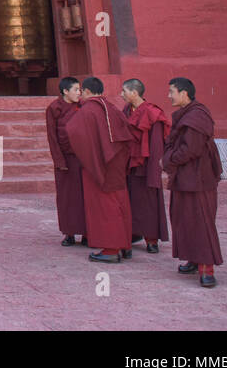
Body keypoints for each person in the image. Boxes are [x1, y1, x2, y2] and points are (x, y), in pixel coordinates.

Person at [162, 77, 223, 288]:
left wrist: (168, 160)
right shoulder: (189, 114)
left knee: (201, 221)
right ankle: (193, 258)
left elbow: (191, 149)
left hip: (198, 179)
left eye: (172, 92)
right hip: (186, 177)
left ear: (184, 94)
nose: (169, 96)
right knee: (184, 219)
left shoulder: (197, 116)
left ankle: (207, 269)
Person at [66, 77, 133, 263]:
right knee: (120, 203)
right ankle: (125, 245)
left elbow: (73, 132)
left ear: (86, 91)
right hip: (117, 163)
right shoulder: (112, 107)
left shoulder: (88, 111)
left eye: (81, 91)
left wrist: (91, 159)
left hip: (99, 165)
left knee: (106, 206)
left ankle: (111, 249)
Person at [121, 78, 171, 253]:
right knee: (131, 200)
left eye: (124, 91)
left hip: (147, 164)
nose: (121, 95)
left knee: (149, 202)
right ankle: (134, 232)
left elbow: (157, 145)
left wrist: (154, 171)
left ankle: (151, 239)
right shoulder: (127, 110)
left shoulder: (152, 113)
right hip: (130, 163)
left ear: (134, 93)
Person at [46, 76, 88, 247]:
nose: (79, 93)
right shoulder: (54, 108)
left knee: (85, 196)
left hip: (83, 158)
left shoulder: (83, 106)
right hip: (65, 160)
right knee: (66, 197)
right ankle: (69, 233)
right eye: (76, 90)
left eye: (80, 90)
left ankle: (87, 232)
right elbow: (52, 136)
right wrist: (59, 160)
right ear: (65, 91)